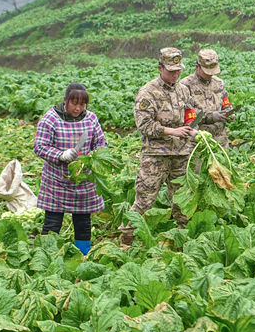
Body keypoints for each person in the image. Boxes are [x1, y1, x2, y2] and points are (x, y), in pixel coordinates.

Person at [122, 47, 196, 245]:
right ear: (160, 68)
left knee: (182, 198)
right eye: (171, 71)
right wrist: (172, 131)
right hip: (156, 154)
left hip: (181, 153)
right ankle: (127, 238)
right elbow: (144, 125)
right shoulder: (148, 92)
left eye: (178, 70)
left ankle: (183, 238)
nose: (175, 74)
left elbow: (190, 115)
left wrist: (192, 130)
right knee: (145, 198)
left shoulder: (183, 90)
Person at [33, 83, 107, 255]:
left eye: (82, 104)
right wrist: (60, 155)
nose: (78, 108)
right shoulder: (50, 119)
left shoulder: (90, 118)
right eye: (74, 104)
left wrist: (92, 158)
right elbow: (39, 146)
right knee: (53, 221)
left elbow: (101, 143)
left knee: (83, 221)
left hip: (83, 181)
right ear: (65, 101)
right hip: (57, 180)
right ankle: (46, 255)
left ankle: (83, 255)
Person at [180, 48, 235, 149]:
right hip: (198, 141)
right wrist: (211, 116)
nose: (210, 74)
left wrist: (230, 113)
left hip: (220, 140)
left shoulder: (219, 83)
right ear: (197, 67)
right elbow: (185, 115)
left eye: (212, 71)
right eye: (206, 72)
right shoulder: (185, 85)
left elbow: (226, 103)